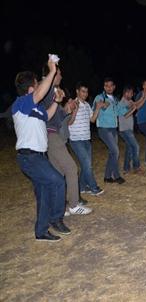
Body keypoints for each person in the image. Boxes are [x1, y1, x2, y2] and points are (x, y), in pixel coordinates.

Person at [12, 58, 70, 241]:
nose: (39, 87)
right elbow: (38, 94)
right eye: (37, 84)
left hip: (38, 156)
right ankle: (56, 219)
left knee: (44, 192)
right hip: (30, 157)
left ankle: (41, 231)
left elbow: (47, 115)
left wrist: (56, 101)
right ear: (31, 87)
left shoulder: (34, 109)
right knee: (58, 181)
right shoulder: (21, 103)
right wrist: (52, 71)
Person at [41, 66, 92, 215]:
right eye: (60, 73)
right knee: (71, 169)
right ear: (53, 73)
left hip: (51, 135)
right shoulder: (48, 90)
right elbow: (47, 117)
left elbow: (55, 117)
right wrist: (62, 106)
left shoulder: (49, 91)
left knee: (58, 173)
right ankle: (74, 205)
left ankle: (60, 207)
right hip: (52, 135)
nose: (61, 76)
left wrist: (66, 110)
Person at [68, 82, 104, 195]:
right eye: (83, 91)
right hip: (75, 139)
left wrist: (97, 108)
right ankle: (93, 187)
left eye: (87, 91)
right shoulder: (72, 104)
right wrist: (75, 110)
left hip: (86, 139)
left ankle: (82, 187)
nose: (85, 94)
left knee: (85, 164)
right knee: (87, 164)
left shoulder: (87, 105)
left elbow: (92, 120)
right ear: (77, 91)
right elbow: (69, 122)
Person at [93, 78, 125, 184]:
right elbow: (94, 110)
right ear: (104, 87)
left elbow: (119, 112)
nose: (109, 87)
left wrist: (129, 107)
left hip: (113, 128)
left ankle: (107, 177)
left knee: (113, 153)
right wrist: (101, 105)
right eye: (106, 85)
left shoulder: (115, 99)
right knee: (115, 151)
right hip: (103, 128)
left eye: (111, 85)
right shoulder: (99, 97)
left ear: (114, 87)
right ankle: (116, 176)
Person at [117, 85, 142, 174]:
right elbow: (126, 115)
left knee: (130, 148)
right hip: (124, 130)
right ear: (126, 93)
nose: (132, 95)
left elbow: (137, 105)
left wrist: (143, 98)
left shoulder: (128, 101)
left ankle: (126, 169)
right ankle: (136, 167)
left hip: (129, 129)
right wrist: (133, 108)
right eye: (131, 93)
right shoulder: (121, 103)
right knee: (136, 146)